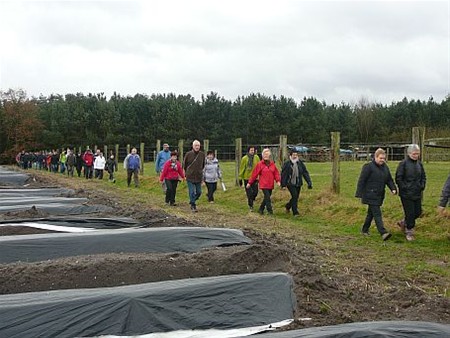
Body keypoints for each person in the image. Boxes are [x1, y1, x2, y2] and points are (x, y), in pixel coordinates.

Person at [355, 148, 397, 241]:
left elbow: (389, 179)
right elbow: (362, 180)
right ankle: (383, 232)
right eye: (380, 158)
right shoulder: (368, 167)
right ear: (375, 157)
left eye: (383, 158)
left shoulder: (385, 168)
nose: (382, 160)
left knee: (371, 213)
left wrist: (393, 188)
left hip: (379, 194)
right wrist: (359, 193)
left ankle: (364, 229)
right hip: (370, 194)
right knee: (377, 213)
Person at [395, 144, 426, 241]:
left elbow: (423, 176)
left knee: (418, 212)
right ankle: (409, 231)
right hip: (406, 194)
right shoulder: (403, 164)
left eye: (417, 154)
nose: (416, 156)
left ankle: (404, 223)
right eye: (414, 154)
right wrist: (404, 187)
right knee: (410, 213)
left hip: (417, 192)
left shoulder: (419, 164)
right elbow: (398, 178)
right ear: (409, 153)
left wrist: (422, 185)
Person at [247, 148, 281, 215]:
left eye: (267, 155)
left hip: (270, 184)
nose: (266, 156)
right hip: (263, 184)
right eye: (264, 155)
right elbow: (254, 174)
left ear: (269, 156)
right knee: (267, 198)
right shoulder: (260, 164)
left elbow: (276, 173)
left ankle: (261, 209)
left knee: (266, 198)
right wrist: (249, 183)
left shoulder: (272, 164)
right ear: (262, 156)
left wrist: (278, 181)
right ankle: (270, 211)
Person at [281, 150, 313, 217]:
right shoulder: (287, 164)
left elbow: (305, 173)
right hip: (290, 183)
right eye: (293, 155)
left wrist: (309, 182)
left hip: (298, 183)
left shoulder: (300, 163)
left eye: (296, 155)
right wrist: (283, 185)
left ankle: (288, 206)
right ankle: (295, 212)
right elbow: (284, 174)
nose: (295, 156)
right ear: (291, 155)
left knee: (295, 197)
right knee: (295, 196)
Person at [183, 140, 205, 212]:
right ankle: (193, 205)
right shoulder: (188, 154)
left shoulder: (202, 154)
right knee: (191, 191)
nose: (197, 147)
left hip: (198, 176)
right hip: (190, 176)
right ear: (193, 146)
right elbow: (185, 165)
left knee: (199, 192)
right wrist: (185, 174)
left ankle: (192, 200)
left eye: (198, 145)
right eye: (195, 145)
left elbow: (203, 165)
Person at [239, 146, 260, 211]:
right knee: (249, 193)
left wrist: (259, 175)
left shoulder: (256, 157)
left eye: (253, 150)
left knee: (255, 192)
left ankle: (252, 199)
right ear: (248, 151)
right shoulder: (244, 158)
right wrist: (240, 178)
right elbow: (242, 168)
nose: (252, 151)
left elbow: (259, 166)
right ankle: (251, 205)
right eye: (251, 150)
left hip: (255, 178)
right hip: (247, 178)